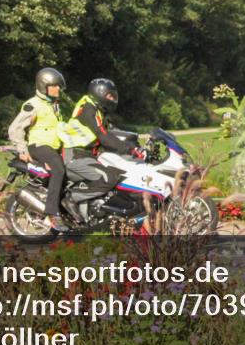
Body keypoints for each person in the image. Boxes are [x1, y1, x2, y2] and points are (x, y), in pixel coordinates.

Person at [57, 78, 144, 196]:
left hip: (85, 156)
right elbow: (103, 135)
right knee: (109, 177)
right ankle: (72, 199)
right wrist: (129, 150)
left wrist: (134, 145)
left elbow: (113, 133)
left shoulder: (98, 112)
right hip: (74, 156)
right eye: (110, 96)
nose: (113, 100)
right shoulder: (88, 110)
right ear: (98, 93)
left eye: (114, 97)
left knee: (119, 170)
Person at [8, 67, 69, 231]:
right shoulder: (33, 105)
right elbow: (15, 128)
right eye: (55, 86)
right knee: (58, 169)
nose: (59, 89)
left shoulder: (53, 105)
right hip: (39, 146)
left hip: (53, 148)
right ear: (44, 86)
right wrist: (22, 149)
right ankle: (52, 214)